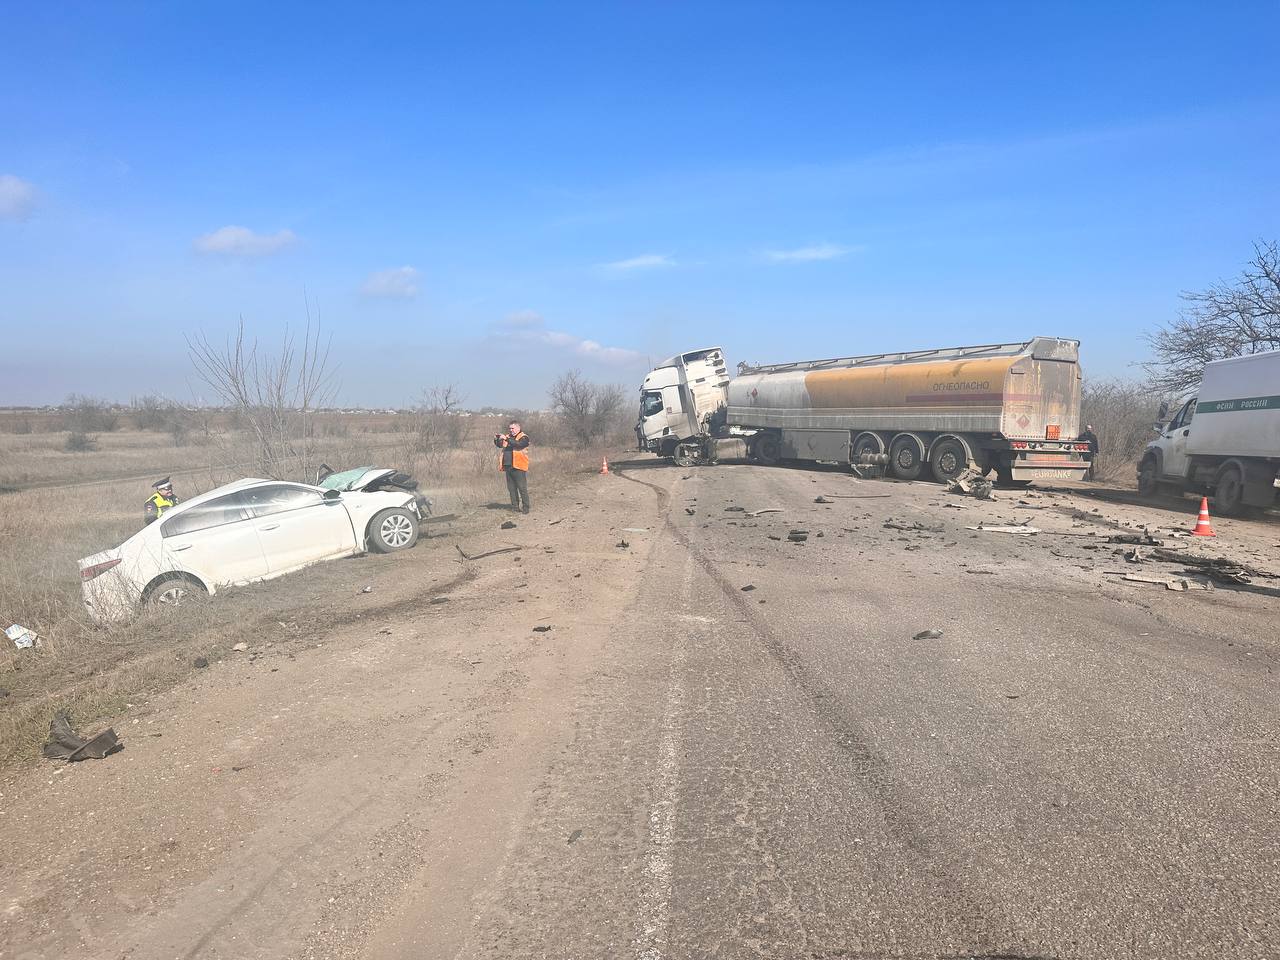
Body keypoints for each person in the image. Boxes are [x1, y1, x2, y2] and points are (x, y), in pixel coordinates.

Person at [494, 420, 531, 513]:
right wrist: (496, 439)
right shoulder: (508, 437)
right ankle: (515, 507)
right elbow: (499, 445)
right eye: (509, 428)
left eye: (512, 428)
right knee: (511, 489)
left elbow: (518, 444)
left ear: (518, 428)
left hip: (519, 466)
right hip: (508, 466)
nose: (511, 430)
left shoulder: (524, 437)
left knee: (522, 488)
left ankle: (526, 508)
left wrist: (506, 439)